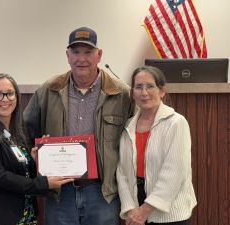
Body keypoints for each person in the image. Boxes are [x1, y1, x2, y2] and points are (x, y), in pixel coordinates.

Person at [23, 27, 134, 225]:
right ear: (67, 56)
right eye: (75, 52)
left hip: (103, 192)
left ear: (99, 55)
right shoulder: (49, 89)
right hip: (60, 193)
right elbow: (26, 128)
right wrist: (37, 154)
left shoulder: (121, 93)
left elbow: (134, 139)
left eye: (88, 52)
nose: (81, 58)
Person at [0, 73, 73, 225]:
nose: (5, 99)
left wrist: (37, 159)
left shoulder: (20, 130)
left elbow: (22, 171)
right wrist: (43, 184)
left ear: (16, 97)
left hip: (26, 216)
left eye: (10, 93)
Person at [117, 66, 197, 225]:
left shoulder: (176, 123)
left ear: (162, 91)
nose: (144, 92)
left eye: (150, 86)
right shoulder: (128, 126)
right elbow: (121, 171)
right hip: (135, 210)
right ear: (133, 93)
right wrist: (130, 209)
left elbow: (174, 172)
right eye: (138, 87)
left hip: (169, 213)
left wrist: (144, 211)